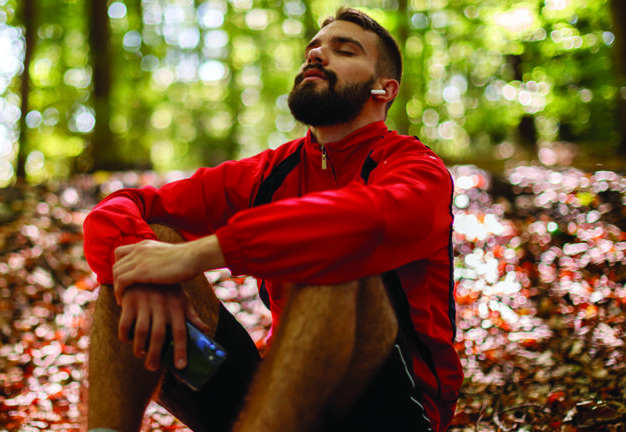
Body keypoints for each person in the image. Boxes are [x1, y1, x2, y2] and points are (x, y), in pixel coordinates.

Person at [83, 7, 463, 432]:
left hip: (391, 410)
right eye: (314, 49)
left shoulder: (414, 167)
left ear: (383, 88)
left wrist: (201, 253)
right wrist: (148, 275)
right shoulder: (270, 172)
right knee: (145, 244)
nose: (317, 56)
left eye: (344, 50)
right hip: (270, 403)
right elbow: (121, 206)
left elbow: (365, 223)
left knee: (337, 258)